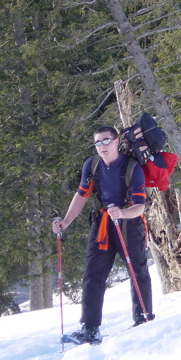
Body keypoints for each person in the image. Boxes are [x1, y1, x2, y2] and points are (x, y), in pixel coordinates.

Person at [52, 125, 154, 344]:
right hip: (102, 225)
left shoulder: (131, 167)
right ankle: (89, 329)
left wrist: (123, 212)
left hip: (129, 225)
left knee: (138, 272)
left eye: (106, 141)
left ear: (116, 141)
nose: (102, 146)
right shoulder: (92, 164)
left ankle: (143, 320)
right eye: (98, 142)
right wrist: (66, 221)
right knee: (93, 275)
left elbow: (140, 206)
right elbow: (82, 195)